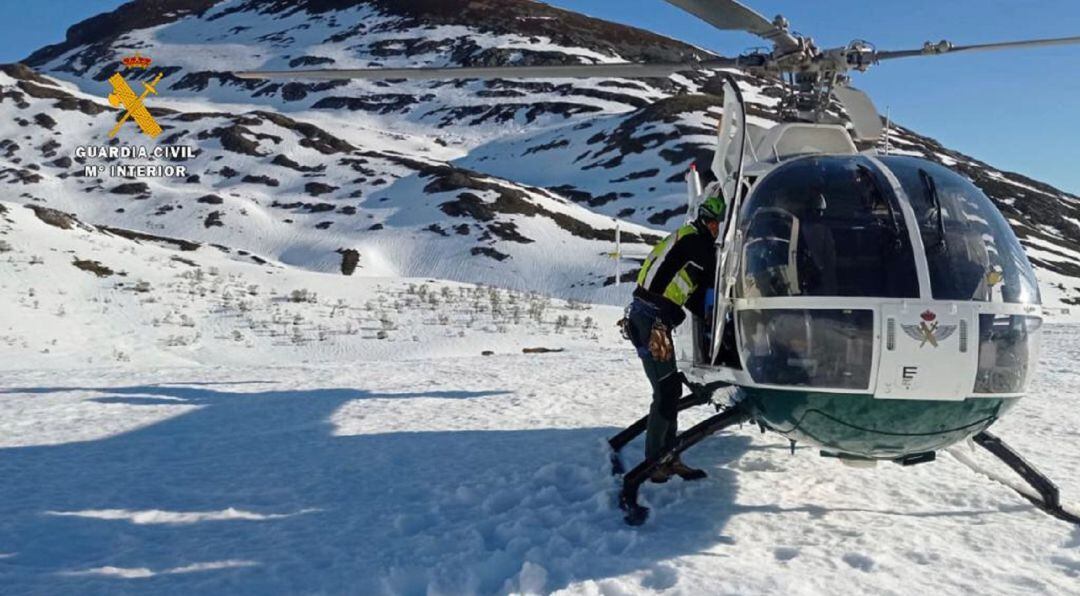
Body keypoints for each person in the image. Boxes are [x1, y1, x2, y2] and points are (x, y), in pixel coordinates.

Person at [624, 194, 725, 483]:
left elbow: (687, 290)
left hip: (651, 318)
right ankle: (656, 461)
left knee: (670, 391)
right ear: (709, 221)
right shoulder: (698, 244)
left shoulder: (687, 238)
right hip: (652, 321)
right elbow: (709, 281)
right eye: (719, 224)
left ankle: (668, 457)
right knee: (666, 393)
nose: (720, 231)